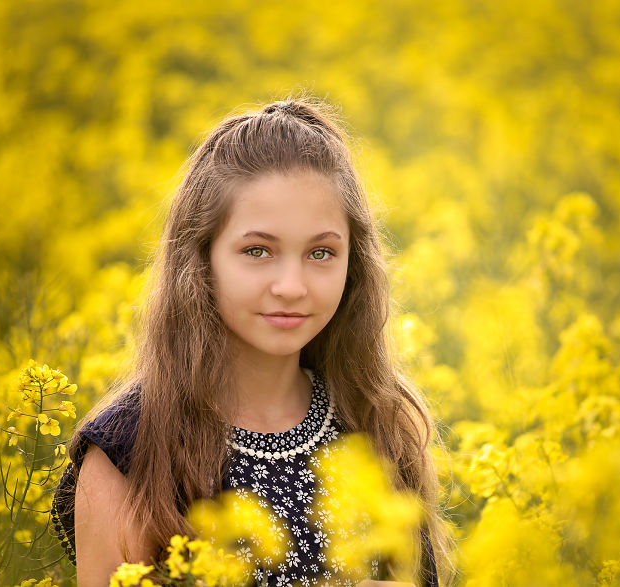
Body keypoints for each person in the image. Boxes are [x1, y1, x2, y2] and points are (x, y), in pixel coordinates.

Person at [50, 98, 449, 586]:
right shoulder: (129, 453)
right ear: (201, 259)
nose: (291, 286)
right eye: (257, 250)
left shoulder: (377, 426)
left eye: (321, 252)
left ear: (354, 263)